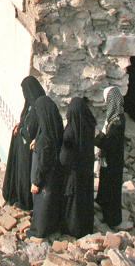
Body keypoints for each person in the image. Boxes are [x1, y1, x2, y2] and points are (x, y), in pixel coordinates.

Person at [4, 76, 46, 211]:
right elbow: (25, 122)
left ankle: (24, 201)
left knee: (25, 174)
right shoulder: (29, 105)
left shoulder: (37, 107)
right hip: (21, 147)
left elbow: (31, 131)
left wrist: (21, 129)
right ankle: (17, 196)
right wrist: (20, 125)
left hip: (28, 150)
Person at [27, 95, 64, 238]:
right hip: (55, 176)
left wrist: (36, 182)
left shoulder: (44, 141)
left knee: (41, 205)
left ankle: (38, 232)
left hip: (44, 180)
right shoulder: (55, 129)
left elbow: (42, 164)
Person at [59, 97, 97, 237]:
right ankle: (85, 227)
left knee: (72, 203)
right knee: (84, 200)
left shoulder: (70, 131)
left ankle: (72, 229)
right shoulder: (88, 125)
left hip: (73, 174)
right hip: (86, 170)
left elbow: (64, 159)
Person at [95, 87, 126, 228]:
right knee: (106, 184)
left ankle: (111, 219)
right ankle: (102, 204)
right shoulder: (115, 117)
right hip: (111, 159)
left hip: (112, 161)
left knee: (111, 189)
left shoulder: (117, 123)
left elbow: (109, 144)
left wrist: (97, 136)